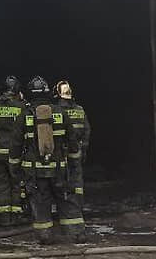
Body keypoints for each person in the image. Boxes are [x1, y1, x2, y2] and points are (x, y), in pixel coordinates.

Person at [19, 76, 86, 244]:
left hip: (35, 172)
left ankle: (45, 236)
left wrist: (15, 170)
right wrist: (73, 164)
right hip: (59, 169)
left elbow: (15, 146)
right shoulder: (61, 113)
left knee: (40, 202)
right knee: (66, 199)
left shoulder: (25, 114)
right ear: (48, 93)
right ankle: (76, 234)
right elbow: (72, 142)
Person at [0, 75, 26, 226]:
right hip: (14, 150)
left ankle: (2, 218)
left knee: (0, 184)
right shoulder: (21, 106)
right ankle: (16, 216)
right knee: (17, 183)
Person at [55, 79, 90, 225]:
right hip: (77, 151)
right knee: (77, 180)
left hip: (62, 152)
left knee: (62, 179)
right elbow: (87, 130)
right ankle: (78, 206)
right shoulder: (80, 110)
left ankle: (65, 209)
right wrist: (84, 148)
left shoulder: (57, 110)